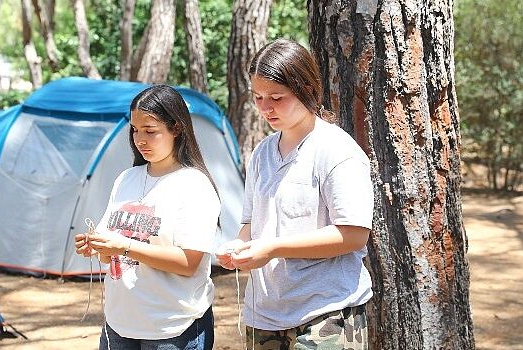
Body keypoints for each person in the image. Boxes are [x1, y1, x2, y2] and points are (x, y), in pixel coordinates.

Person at [215, 38, 374, 349]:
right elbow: (251, 224)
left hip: (326, 315)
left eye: (277, 97)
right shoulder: (261, 153)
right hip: (265, 316)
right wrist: (239, 245)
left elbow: (354, 235)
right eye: (258, 97)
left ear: (306, 89)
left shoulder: (337, 150)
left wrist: (272, 248)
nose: (265, 108)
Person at [75, 85, 220, 350]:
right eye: (134, 130)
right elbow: (111, 253)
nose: (140, 139)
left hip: (173, 327)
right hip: (120, 323)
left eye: (150, 131)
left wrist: (126, 246)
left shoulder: (193, 184)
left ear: (176, 128)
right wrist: (98, 246)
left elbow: (188, 262)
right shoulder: (126, 179)